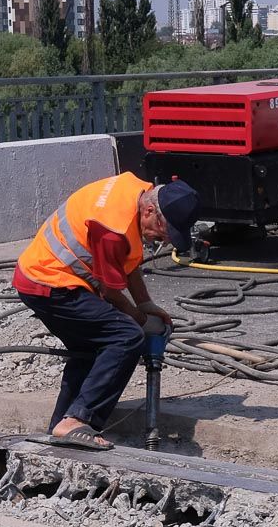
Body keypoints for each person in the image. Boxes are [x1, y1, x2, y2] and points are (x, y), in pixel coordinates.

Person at [13, 172, 199, 451]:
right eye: (165, 231)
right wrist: (139, 318)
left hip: (46, 278)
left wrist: (144, 302)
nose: (165, 240)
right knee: (125, 337)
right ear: (150, 211)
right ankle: (78, 419)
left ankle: (61, 427)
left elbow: (127, 258)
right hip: (49, 283)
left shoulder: (135, 193)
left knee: (91, 347)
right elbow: (111, 291)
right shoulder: (111, 227)